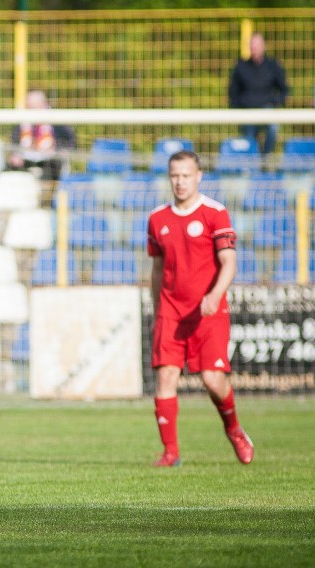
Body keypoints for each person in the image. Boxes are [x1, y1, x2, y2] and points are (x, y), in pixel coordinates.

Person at [147, 150, 254, 468]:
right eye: (174, 176)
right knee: (166, 377)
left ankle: (234, 430)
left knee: (212, 380)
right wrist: (158, 309)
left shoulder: (214, 212)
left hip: (208, 310)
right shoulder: (157, 218)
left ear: (198, 176)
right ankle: (171, 453)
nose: (180, 182)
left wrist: (214, 294)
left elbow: (229, 262)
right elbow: (157, 269)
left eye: (186, 175)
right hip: (170, 310)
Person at [228, 32, 289, 156]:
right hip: (247, 110)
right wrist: (238, 107)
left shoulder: (272, 66)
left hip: (267, 108)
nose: (254, 49)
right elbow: (233, 90)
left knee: (273, 128)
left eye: (257, 45)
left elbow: (284, 89)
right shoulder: (241, 66)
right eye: (252, 45)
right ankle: (253, 163)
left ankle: (265, 158)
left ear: (263, 46)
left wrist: (274, 102)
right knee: (249, 138)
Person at [7, 89, 75, 182]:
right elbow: (13, 143)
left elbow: (70, 142)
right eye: (30, 106)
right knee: (10, 169)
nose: (32, 109)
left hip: (49, 161)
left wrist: (57, 149)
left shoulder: (57, 121)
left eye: (35, 106)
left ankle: (46, 195)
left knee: (52, 168)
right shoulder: (21, 121)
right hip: (26, 160)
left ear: (43, 104)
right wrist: (15, 155)